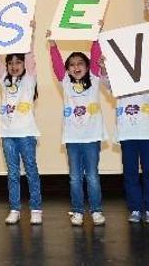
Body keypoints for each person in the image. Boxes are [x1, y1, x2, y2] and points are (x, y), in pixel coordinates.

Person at [0, 22, 42, 225]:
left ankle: (36, 208)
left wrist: (30, 33)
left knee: (31, 171)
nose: (15, 65)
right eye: (11, 63)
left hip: (26, 134)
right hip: (7, 134)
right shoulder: (4, 81)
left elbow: (30, 56)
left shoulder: (29, 80)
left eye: (19, 62)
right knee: (13, 174)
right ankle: (15, 208)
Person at [48, 30, 107, 226]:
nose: (76, 67)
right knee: (74, 178)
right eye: (71, 65)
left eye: (80, 63)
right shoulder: (65, 82)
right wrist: (54, 46)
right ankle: (78, 211)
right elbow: (56, 65)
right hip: (72, 138)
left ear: (88, 66)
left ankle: (96, 211)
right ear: (67, 70)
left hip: (91, 137)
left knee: (91, 176)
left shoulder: (95, 78)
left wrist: (96, 36)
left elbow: (96, 53)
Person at [98, 57, 149, 224]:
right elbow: (106, 82)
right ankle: (135, 208)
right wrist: (104, 67)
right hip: (127, 133)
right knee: (130, 172)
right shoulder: (119, 79)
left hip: (146, 132)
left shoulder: (146, 77)